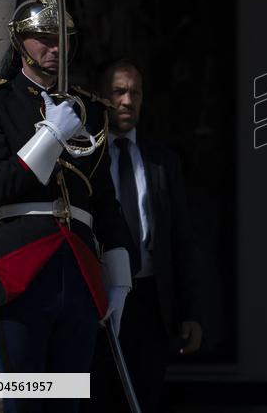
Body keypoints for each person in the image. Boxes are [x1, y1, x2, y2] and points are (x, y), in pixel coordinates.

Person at [0, 0, 133, 413]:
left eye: (62, 38)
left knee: (68, 405)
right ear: (20, 39)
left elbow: (104, 201)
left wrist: (118, 279)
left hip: (79, 269)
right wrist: (48, 138)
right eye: (44, 37)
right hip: (22, 267)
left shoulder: (89, 111)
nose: (55, 48)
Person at [85, 58, 204, 413]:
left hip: (151, 302)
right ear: (102, 97)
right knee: (94, 397)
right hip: (98, 299)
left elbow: (180, 239)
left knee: (143, 397)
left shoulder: (162, 161)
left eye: (135, 92)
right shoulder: (86, 156)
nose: (127, 100)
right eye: (118, 91)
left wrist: (191, 312)